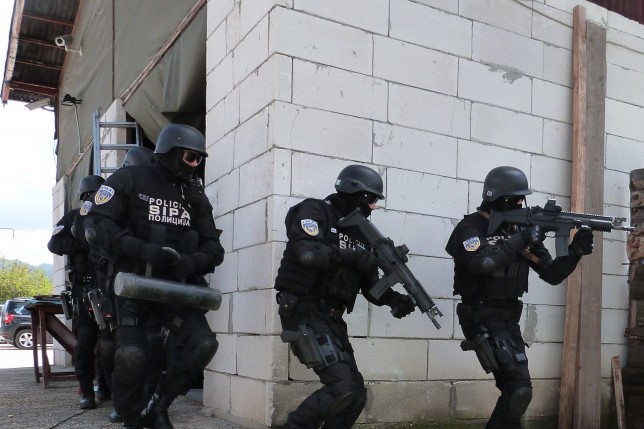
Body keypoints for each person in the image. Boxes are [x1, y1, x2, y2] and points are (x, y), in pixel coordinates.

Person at [84, 123, 225, 429]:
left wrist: (191, 263)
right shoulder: (130, 179)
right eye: (191, 157)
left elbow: (215, 248)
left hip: (173, 288)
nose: (195, 165)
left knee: (203, 344)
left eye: (199, 159)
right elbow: (96, 225)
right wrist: (142, 250)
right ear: (170, 152)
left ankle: (158, 406)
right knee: (131, 356)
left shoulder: (194, 195)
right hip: (131, 284)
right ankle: (131, 419)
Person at [445, 166, 595, 429]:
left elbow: (552, 274)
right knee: (519, 389)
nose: (520, 204)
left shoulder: (519, 229)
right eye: (516, 199)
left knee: (516, 392)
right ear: (499, 198)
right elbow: (482, 263)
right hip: (480, 314)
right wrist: (520, 239)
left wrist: (574, 252)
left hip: (508, 318)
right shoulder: (471, 227)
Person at [274, 164, 416, 429]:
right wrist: (356, 256)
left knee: (355, 393)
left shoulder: (363, 233)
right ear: (355, 193)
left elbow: (370, 286)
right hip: (304, 309)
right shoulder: (314, 211)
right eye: (371, 199)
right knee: (342, 388)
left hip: (332, 318)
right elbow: (308, 255)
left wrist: (395, 300)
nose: (374, 206)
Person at [47, 174, 108, 410]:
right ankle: (87, 391)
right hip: (83, 289)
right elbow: (54, 244)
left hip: (107, 287)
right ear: (84, 197)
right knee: (86, 341)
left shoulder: (110, 218)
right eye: (91, 196)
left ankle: (105, 386)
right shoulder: (73, 217)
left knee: (110, 342)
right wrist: (82, 239)